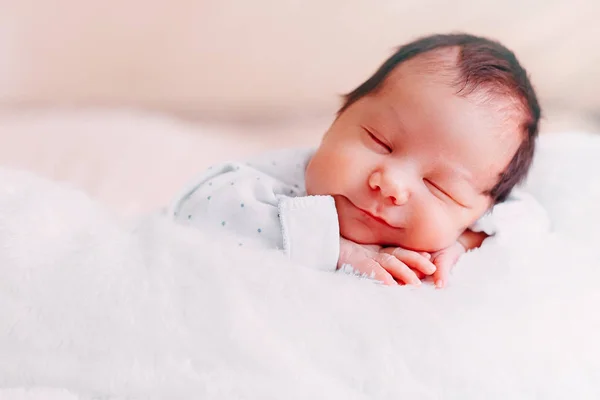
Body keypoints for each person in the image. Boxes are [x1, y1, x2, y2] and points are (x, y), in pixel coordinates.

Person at [168, 33, 548, 288]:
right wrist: (339, 249)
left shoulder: (466, 227)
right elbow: (198, 203)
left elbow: (531, 220)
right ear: (340, 117)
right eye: (379, 142)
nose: (392, 183)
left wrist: (465, 240)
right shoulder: (287, 182)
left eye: (438, 187)